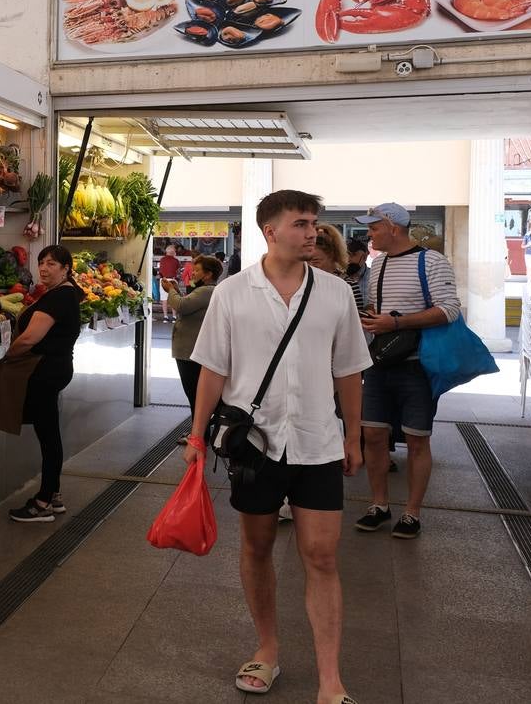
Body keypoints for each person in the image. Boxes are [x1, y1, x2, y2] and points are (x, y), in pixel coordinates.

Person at [184, 189, 371, 703]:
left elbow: (349, 369)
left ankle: (331, 680)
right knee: (257, 545)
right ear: (270, 230)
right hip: (257, 445)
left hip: (318, 441)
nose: (312, 231)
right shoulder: (232, 293)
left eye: (314, 222)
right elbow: (213, 369)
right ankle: (267, 649)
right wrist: (197, 436)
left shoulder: (335, 293)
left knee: (321, 554)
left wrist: (353, 435)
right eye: (301, 223)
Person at [354, 202, 461, 540]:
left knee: (417, 439)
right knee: (372, 435)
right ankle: (379, 505)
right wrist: (372, 317)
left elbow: (450, 310)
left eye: (374, 227)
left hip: (417, 365)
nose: (369, 234)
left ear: (393, 226)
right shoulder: (379, 263)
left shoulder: (431, 260)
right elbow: (379, 309)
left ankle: (412, 512)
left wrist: (396, 321)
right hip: (380, 363)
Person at [6, 245, 86, 522]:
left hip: (45, 371)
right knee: (49, 433)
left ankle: (42, 504)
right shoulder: (63, 293)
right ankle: (53, 494)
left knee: (49, 437)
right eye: (41, 262)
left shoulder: (59, 297)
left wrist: (7, 357)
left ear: (66, 269)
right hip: (55, 368)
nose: (44, 268)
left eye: (52, 264)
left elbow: (30, 338)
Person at [162, 254, 222, 441]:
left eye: (197, 270)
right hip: (191, 350)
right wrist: (177, 289)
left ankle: (199, 435)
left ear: (208, 274)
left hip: (190, 352)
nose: (192, 273)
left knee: (194, 394)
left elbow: (181, 305)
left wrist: (170, 290)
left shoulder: (207, 291)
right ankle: (201, 433)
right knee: (196, 394)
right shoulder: (205, 290)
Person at [344, 238, 371, 308]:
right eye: (345, 255)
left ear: (364, 257)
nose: (348, 259)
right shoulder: (338, 276)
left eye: (353, 255)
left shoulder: (373, 276)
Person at [157, 244, 180, 321]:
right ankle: (174, 317)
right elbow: (178, 270)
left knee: (164, 299)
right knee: (173, 298)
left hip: (163, 280)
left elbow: (160, 271)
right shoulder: (176, 260)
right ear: (173, 252)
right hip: (173, 280)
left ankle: (165, 317)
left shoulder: (162, 259)